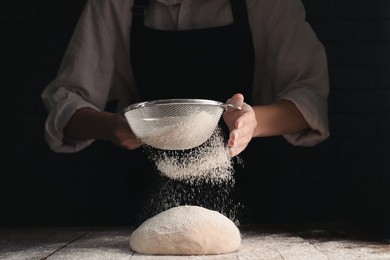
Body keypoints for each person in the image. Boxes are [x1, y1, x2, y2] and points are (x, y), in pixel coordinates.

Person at [41, 0, 329, 224]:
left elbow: (310, 100)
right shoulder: (116, 5)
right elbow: (65, 107)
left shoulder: (266, 5)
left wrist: (252, 122)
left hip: (246, 191)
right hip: (146, 192)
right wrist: (111, 127)